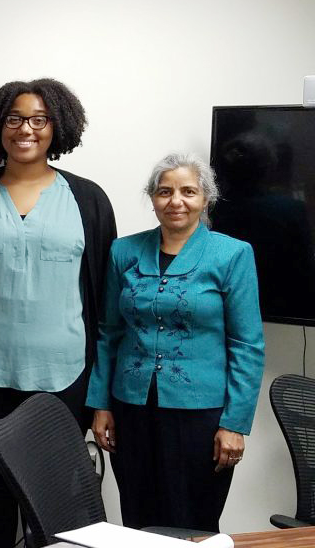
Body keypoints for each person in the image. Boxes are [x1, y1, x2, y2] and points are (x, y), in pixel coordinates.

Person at [0, 79, 116, 548]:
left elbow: (106, 304)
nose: (26, 129)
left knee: (54, 502)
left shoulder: (89, 200)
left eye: (39, 119)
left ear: (57, 127)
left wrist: (102, 392)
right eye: (15, 118)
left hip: (63, 380)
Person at [88, 153, 265, 532]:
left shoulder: (232, 254)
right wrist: (101, 405)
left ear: (205, 199)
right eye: (164, 191)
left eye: (188, 191)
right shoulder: (124, 251)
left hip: (201, 414)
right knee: (137, 516)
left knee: (192, 521)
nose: (176, 201)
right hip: (130, 408)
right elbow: (109, 331)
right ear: (152, 198)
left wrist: (235, 424)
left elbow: (247, 345)